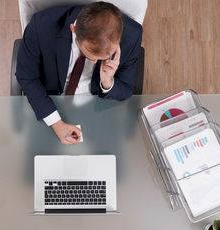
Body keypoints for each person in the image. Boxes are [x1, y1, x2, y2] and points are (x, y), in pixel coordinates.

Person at [16, 1, 142, 144]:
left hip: (99, 105)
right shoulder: (41, 26)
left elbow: (126, 88)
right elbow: (26, 76)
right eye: (89, 55)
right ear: (73, 29)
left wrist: (108, 82)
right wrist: (56, 123)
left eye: (100, 58)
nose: (94, 62)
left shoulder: (132, 35)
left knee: (109, 161)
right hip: (48, 102)